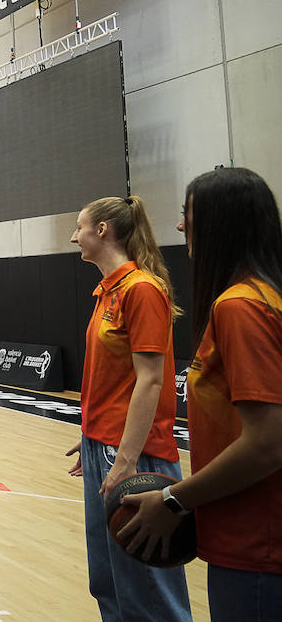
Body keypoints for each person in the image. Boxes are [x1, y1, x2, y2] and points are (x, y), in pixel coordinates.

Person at [118, 168, 282, 621]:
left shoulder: (240, 307)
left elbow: (268, 443)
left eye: (188, 214)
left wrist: (176, 499)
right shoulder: (265, 296)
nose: (180, 226)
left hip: (256, 548)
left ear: (220, 222)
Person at [62, 195, 191, 622]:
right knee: (108, 580)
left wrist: (125, 458)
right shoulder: (107, 291)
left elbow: (150, 380)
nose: (73, 236)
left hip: (134, 454)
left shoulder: (141, 290)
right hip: (102, 445)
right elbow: (111, 380)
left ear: (103, 230)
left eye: (79, 227)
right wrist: (92, 437)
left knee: (148, 589)